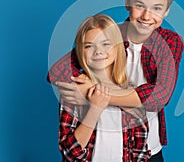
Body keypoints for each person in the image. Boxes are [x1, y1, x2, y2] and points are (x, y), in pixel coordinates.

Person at [48, 0, 184, 161]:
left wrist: (93, 95)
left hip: (145, 148)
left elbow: (159, 96)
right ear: (128, 2)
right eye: (140, 5)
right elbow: (56, 72)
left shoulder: (170, 42)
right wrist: (85, 85)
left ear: (167, 10)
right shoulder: (109, 35)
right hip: (99, 147)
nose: (147, 15)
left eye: (157, 8)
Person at [55, 14, 150, 161]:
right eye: (89, 46)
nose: (98, 51)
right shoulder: (76, 90)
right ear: (81, 51)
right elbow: (70, 153)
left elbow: (140, 149)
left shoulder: (130, 92)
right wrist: (95, 109)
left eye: (106, 44)